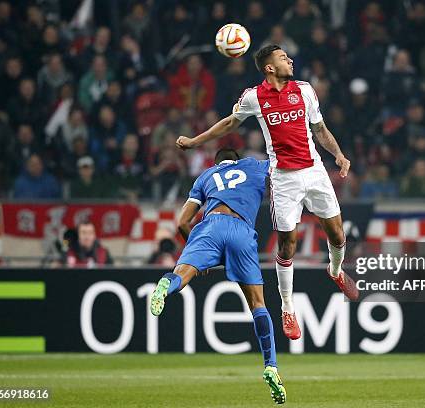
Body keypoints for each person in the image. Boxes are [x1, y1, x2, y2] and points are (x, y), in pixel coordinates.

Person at [175, 44, 358, 342]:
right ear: (270, 67)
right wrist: (195, 141)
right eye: (284, 58)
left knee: (337, 236)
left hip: (314, 171)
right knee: (287, 244)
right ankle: (288, 306)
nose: (290, 60)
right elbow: (229, 123)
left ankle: (335, 271)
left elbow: (320, 129)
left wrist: (338, 155)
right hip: (284, 179)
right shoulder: (254, 97)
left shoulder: (305, 90)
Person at [149, 149, 286, 404]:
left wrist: (201, 253)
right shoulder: (254, 166)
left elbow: (182, 222)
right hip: (241, 230)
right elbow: (284, 160)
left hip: (210, 227)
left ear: (217, 163)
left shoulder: (206, 176)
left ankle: (167, 284)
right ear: (237, 158)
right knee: (258, 304)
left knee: (181, 275)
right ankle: (271, 366)